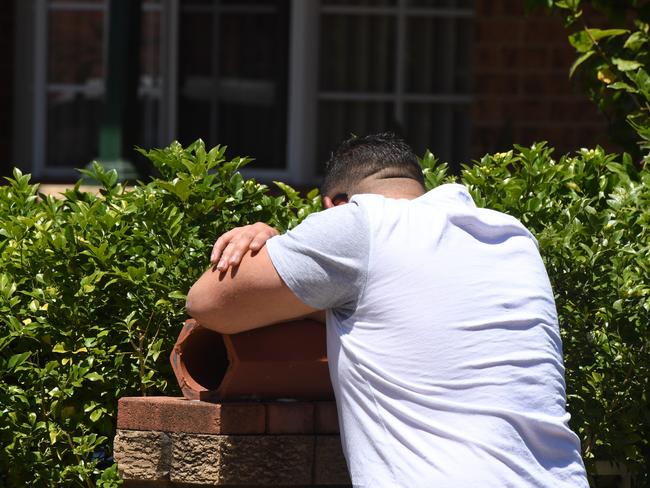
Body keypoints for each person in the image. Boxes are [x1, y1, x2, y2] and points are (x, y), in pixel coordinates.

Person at [186, 133, 588, 487]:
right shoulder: (510, 236)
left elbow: (209, 305)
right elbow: (395, 312)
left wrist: (264, 239)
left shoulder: (360, 224)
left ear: (336, 204)